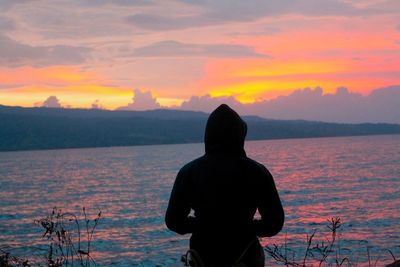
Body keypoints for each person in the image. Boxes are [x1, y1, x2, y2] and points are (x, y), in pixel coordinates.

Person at [165, 104, 284, 267]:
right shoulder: (257, 172)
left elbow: (173, 221)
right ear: (240, 135)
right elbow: (274, 223)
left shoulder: (189, 172)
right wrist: (243, 227)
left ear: (208, 135)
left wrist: (205, 225)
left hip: (203, 257)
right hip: (246, 257)